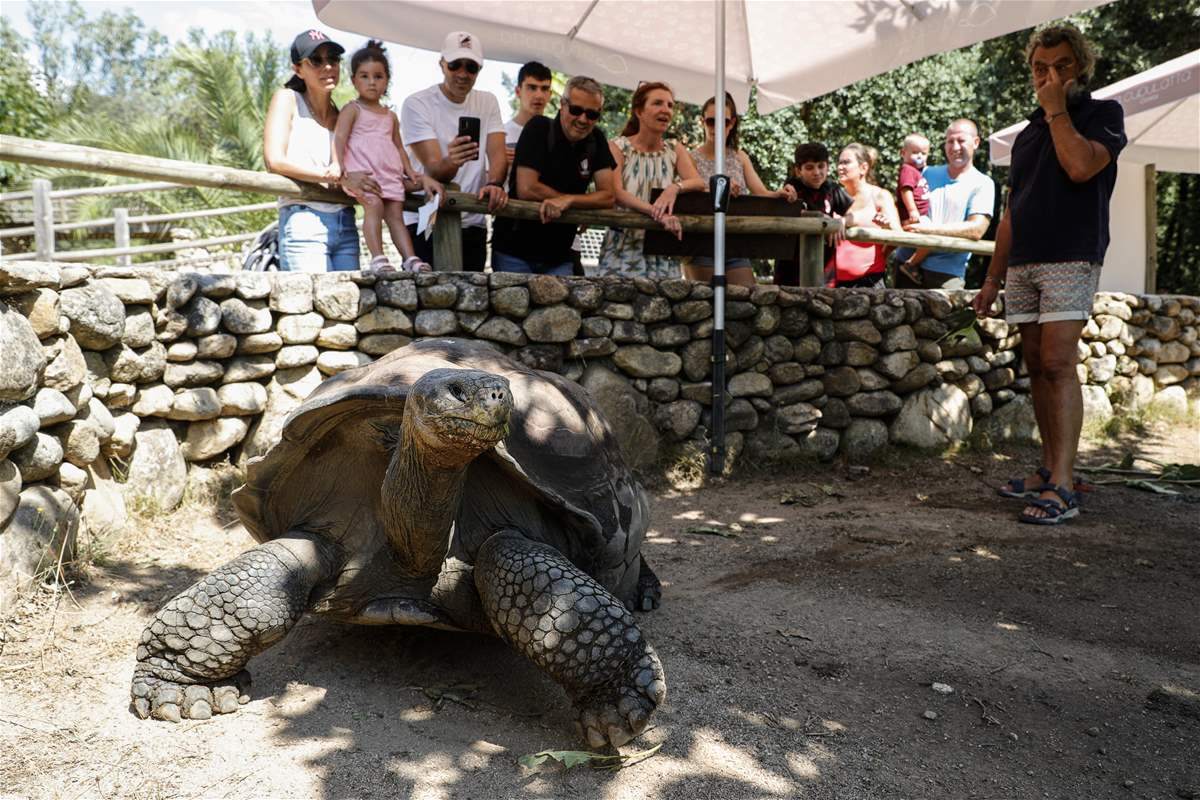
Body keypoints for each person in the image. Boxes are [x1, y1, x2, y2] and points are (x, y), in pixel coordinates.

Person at [973, 23, 1126, 525]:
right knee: (1036, 364)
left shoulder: (1104, 115)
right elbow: (1011, 213)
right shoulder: (1026, 135)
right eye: (1041, 69)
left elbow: (1081, 167)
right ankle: (1048, 468)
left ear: (1080, 65)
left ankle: (1063, 485)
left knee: (1059, 362)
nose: (1049, 76)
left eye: (1060, 66)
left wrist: (1057, 110)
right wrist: (993, 277)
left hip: (1072, 253)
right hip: (1024, 261)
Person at [263, 30, 375, 272]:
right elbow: (274, 161)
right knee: (309, 307)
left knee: (349, 306)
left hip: (345, 222)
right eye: (316, 60)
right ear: (298, 69)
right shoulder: (287, 99)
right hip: (303, 218)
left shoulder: (344, 114)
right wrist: (335, 176)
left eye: (333, 59)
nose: (327, 67)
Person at [400, 31, 508, 270]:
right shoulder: (417, 103)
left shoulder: (487, 101)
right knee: (424, 299)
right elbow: (435, 170)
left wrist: (496, 183)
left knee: (470, 302)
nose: (462, 73)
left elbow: (498, 154)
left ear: (479, 70)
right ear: (441, 64)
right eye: (455, 65)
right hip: (425, 216)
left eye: (471, 67)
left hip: (472, 218)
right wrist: (453, 161)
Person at [332, 40, 442, 273]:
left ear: (387, 80)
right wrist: (338, 165)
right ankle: (378, 258)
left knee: (396, 216)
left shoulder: (390, 115)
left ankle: (410, 258)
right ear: (353, 80)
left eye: (378, 76)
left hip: (389, 174)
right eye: (364, 76)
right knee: (373, 205)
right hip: (366, 174)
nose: (371, 82)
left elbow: (399, 147)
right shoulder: (352, 109)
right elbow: (340, 137)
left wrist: (409, 170)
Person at [491, 76, 616, 275]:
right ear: (562, 105)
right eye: (576, 110)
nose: (583, 119)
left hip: (560, 255)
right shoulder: (539, 127)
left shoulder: (597, 140)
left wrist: (569, 200)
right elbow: (527, 188)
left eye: (592, 114)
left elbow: (608, 196)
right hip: (514, 251)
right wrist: (577, 201)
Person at [683, 92, 797, 288]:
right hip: (701, 244)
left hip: (736, 244)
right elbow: (692, 194)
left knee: (746, 301)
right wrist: (720, 190)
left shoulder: (740, 156)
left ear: (732, 123)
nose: (717, 127)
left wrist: (781, 193)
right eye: (711, 121)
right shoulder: (689, 158)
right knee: (704, 305)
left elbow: (761, 193)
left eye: (724, 122)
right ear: (702, 122)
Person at [596, 81, 706, 279]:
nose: (666, 110)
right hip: (623, 247)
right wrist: (657, 213)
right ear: (639, 111)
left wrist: (674, 187)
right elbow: (617, 193)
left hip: (661, 250)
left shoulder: (674, 149)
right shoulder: (617, 147)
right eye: (657, 103)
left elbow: (698, 182)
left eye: (670, 105)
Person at [893, 119, 995, 289]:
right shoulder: (925, 172)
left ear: (976, 142)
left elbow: (976, 229)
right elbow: (902, 200)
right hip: (904, 265)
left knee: (950, 316)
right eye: (950, 141)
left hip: (946, 274)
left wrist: (928, 230)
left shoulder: (983, 183)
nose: (955, 147)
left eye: (961, 141)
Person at [774, 142, 851, 287]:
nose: (816, 172)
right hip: (791, 268)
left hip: (824, 268)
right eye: (809, 167)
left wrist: (841, 221)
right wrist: (824, 219)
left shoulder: (832, 188)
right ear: (798, 171)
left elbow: (853, 212)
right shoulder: (792, 187)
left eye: (821, 166)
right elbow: (789, 210)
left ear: (828, 166)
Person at [828, 143, 901, 288]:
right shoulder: (832, 196)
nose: (840, 167)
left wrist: (887, 227)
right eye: (839, 162)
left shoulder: (880, 196)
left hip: (870, 283)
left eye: (846, 162)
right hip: (834, 284)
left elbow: (899, 236)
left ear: (863, 168)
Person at [892, 133, 932, 284]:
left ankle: (911, 263)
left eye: (923, 153)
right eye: (915, 152)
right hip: (914, 216)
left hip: (919, 216)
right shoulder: (907, 169)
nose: (920, 156)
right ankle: (910, 264)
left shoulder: (918, 172)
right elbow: (906, 190)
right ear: (903, 153)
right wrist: (912, 210)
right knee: (932, 238)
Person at [504, 61, 553, 163]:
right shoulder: (502, 135)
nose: (539, 95)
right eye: (532, 88)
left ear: (550, 94)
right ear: (518, 92)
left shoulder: (559, 133)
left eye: (544, 89)